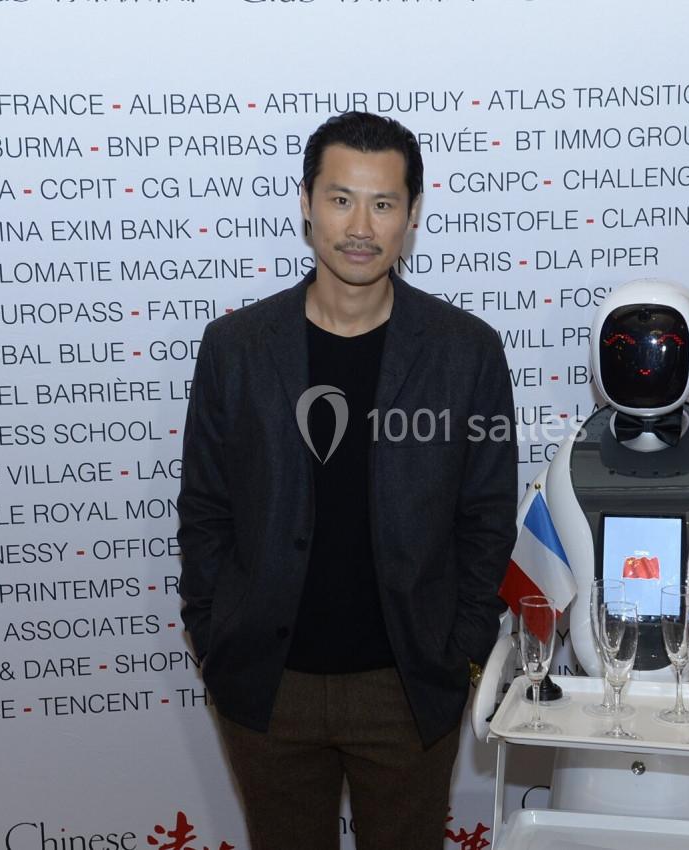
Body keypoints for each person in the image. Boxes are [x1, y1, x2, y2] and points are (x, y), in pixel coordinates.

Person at [176, 111, 518, 850]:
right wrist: (214, 632)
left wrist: (459, 647)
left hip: (408, 684)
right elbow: (205, 506)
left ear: (412, 214)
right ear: (306, 203)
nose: (360, 227)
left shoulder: (467, 353)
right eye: (340, 199)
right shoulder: (236, 348)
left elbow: (487, 515)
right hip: (267, 684)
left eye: (383, 203)